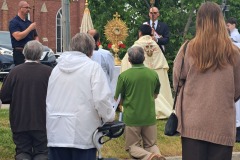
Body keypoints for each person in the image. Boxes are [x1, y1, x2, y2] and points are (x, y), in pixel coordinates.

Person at [173, 2, 240, 160]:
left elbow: (177, 82)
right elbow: (237, 90)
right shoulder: (234, 53)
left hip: (193, 122)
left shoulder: (187, 49)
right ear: (221, 20)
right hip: (222, 123)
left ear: (199, 21)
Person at [46, 33, 115, 160]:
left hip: (57, 131)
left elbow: (49, 98)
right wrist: (109, 117)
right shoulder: (93, 68)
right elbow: (101, 99)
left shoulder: (56, 69)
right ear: (90, 51)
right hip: (83, 132)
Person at [0, 40, 52, 160]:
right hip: (43, 121)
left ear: (24, 53)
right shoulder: (49, 73)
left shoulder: (14, 72)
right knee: (42, 152)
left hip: (20, 121)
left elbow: (4, 96)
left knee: (22, 152)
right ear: (40, 54)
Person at [115, 46, 165, 160]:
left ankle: (150, 157)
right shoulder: (153, 74)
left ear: (129, 60)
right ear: (143, 58)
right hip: (149, 115)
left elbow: (118, 99)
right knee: (151, 145)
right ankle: (158, 156)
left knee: (132, 147)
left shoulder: (124, 76)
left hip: (132, 117)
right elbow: (155, 94)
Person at [121, 24, 173, 119]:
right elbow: (163, 64)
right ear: (151, 33)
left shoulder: (137, 45)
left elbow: (125, 62)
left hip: (141, 75)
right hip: (156, 74)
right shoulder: (155, 45)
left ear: (140, 33)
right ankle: (164, 107)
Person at [9, 1, 39, 66]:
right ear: (20, 8)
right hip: (20, 53)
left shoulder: (29, 23)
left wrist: (37, 44)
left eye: (29, 8)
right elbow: (18, 37)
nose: (28, 9)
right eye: (26, 7)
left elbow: (35, 36)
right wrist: (30, 28)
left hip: (31, 53)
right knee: (21, 73)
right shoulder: (14, 22)